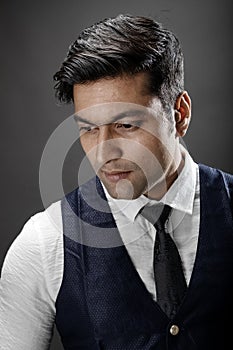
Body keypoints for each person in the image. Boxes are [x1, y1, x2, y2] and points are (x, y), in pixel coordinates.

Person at [0, 13, 233, 350]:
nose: (103, 152)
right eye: (88, 128)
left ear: (179, 114)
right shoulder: (44, 242)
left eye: (126, 125)